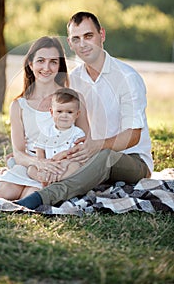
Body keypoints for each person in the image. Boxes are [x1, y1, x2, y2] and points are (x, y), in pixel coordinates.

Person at [14, 11, 154, 210]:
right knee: (70, 160)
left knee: (105, 156)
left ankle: (42, 198)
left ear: (102, 35)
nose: (83, 44)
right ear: (70, 44)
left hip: (132, 160)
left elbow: (134, 136)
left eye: (89, 36)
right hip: (87, 155)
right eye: (76, 39)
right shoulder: (75, 79)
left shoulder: (127, 78)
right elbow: (67, 122)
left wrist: (97, 146)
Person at [0, 36, 88, 200]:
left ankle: (30, 186)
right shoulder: (19, 105)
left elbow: (83, 144)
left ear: (59, 66)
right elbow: (19, 152)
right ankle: (9, 177)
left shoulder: (74, 99)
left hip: (61, 167)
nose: (46, 68)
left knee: (34, 196)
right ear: (30, 64)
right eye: (41, 61)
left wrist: (58, 165)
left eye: (53, 62)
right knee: (3, 193)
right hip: (31, 164)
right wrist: (40, 163)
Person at [30, 87, 86, 186]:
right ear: (52, 112)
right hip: (49, 165)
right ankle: (45, 178)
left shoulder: (78, 133)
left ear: (77, 114)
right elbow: (40, 148)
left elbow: (78, 150)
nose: (64, 116)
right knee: (31, 169)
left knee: (75, 166)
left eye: (69, 112)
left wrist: (64, 155)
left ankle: (58, 180)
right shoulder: (46, 131)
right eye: (59, 111)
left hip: (65, 166)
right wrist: (42, 162)